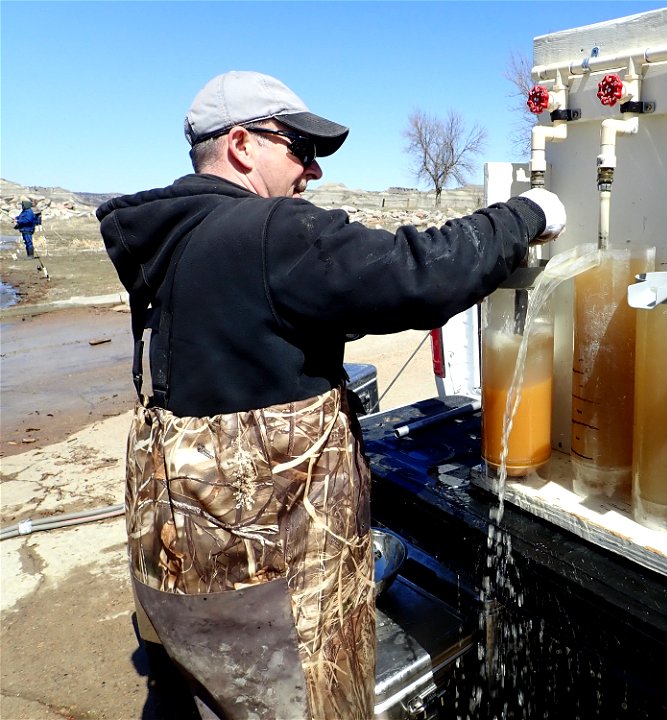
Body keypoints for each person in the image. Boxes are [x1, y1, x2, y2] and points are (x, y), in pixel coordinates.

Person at [97, 70, 565, 720]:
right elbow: (416, 273)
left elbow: (275, 327)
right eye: (300, 148)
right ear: (241, 145)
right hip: (272, 602)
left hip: (183, 582)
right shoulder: (266, 232)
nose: (312, 171)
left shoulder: (173, 250)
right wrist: (527, 214)